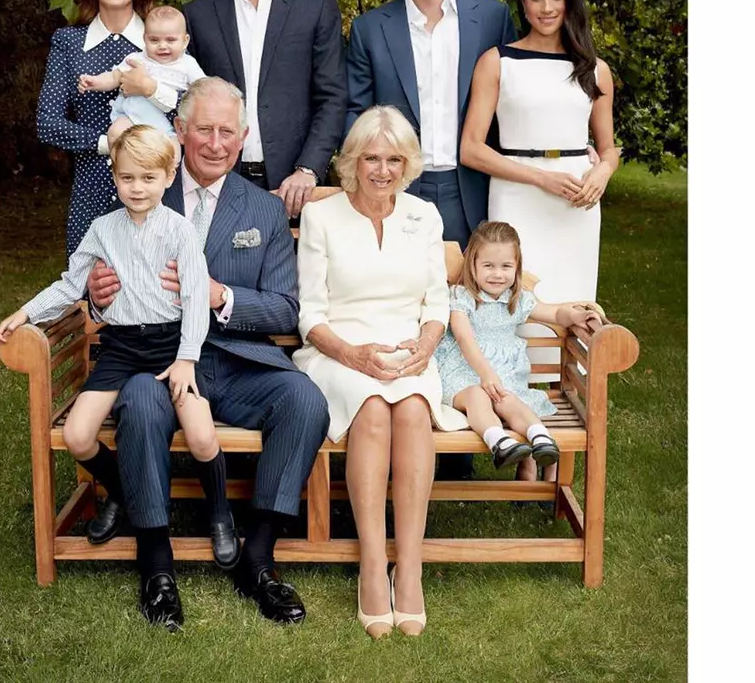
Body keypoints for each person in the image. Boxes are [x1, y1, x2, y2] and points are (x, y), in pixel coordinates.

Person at [87, 77, 330, 631]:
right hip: (158, 359)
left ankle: (258, 560)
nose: (216, 144)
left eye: (227, 132)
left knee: (305, 401)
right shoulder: (142, 188)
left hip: (239, 360)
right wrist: (98, 296)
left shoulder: (264, 210)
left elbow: (284, 309)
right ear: (179, 130)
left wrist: (220, 295)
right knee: (140, 405)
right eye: (204, 130)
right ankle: (156, 564)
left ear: (243, 138)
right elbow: (95, 284)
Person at [0, 126, 240, 601]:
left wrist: (187, 358)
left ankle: (219, 513)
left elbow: (195, 299)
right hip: (122, 347)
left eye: (148, 177)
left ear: (168, 176)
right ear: (114, 176)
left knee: (202, 436)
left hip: (171, 347)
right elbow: (71, 285)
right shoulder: (103, 229)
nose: (137, 188)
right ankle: (126, 492)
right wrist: (25, 313)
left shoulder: (179, 231)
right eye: (127, 178)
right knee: (77, 435)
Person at [292, 106, 468, 639]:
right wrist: (353, 355)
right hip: (337, 352)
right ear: (352, 161)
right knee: (371, 408)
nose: (382, 170)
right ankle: (372, 565)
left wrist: (427, 346)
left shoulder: (424, 216)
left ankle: (408, 568)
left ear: (408, 164)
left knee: (412, 409)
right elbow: (310, 316)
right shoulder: (322, 217)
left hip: (408, 351)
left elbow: (436, 303)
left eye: (394, 159)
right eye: (371, 158)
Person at [459, 0, 617, 477]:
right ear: (521, 2)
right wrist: (541, 177)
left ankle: (559, 448)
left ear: (570, 0)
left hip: (576, 206)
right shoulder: (497, 62)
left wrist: (603, 172)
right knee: (520, 310)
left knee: (572, 311)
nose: (546, 7)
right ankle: (527, 431)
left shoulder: (594, 69)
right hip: (519, 195)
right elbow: (472, 149)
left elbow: (608, 147)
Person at [346, 0, 517, 250]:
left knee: (475, 284)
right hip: (396, 188)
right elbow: (355, 113)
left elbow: (516, 101)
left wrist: (568, 151)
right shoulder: (370, 29)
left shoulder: (491, 19)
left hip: (473, 186)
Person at [181, 0, 348, 217]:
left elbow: (332, 97)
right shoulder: (197, 15)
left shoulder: (315, 7)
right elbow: (186, 100)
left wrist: (308, 169)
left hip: (294, 187)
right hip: (216, 181)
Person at [37, 0, 179, 256]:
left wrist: (150, 88)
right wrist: (108, 143)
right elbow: (47, 123)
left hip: (157, 193)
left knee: (158, 281)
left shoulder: (165, 40)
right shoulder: (69, 43)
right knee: (92, 284)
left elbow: (187, 113)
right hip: (93, 192)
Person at [434, 220, 603, 471]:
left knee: (508, 399)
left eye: (506, 266)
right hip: (462, 374)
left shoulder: (517, 299)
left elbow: (555, 314)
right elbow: (464, 339)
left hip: (503, 378)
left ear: (517, 267)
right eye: (488, 266)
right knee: (478, 395)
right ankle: (499, 442)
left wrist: (576, 315)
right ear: (473, 265)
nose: (497, 274)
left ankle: (541, 437)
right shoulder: (461, 297)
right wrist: (486, 374)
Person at [78, 5, 205, 151]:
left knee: (174, 151)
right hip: (132, 118)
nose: (162, 46)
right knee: (115, 132)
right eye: (154, 40)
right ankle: (122, 163)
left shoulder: (188, 64)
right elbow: (114, 77)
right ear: (144, 39)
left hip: (166, 127)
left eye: (170, 40)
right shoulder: (136, 59)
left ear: (185, 41)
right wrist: (95, 82)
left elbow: (203, 88)